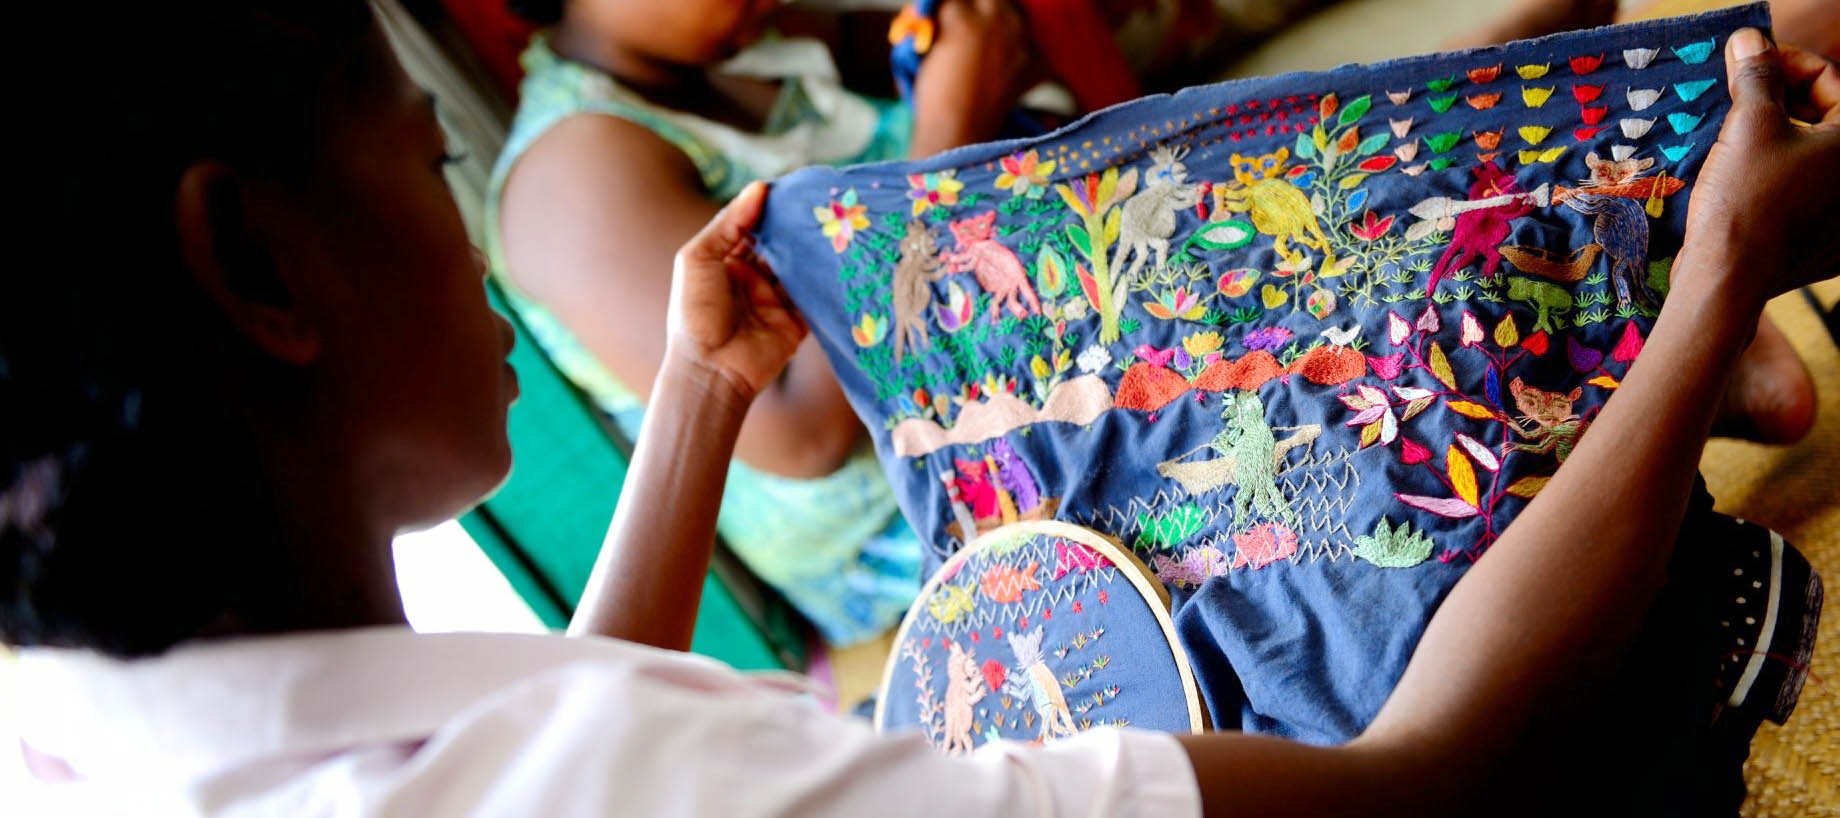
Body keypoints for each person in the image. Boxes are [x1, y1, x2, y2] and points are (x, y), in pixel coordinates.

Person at [4, 2, 1836, 816]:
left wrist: (698, 398)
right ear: (257, 264)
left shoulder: (79, 750)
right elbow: (1425, 776)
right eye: (421, 172)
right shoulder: (690, 785)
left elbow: (561, 724)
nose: (476, 257)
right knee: (1382, 573)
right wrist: (1709, 293)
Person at [486, 0, 1038, 645]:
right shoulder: (570, 177)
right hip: (911, 515)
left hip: (992, 367)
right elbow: (805, 434)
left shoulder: (739, 45)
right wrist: (948, 132)